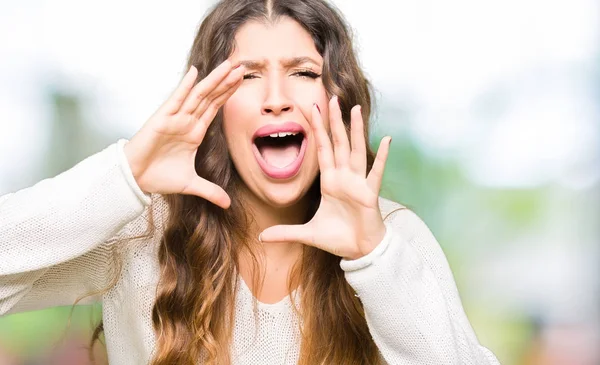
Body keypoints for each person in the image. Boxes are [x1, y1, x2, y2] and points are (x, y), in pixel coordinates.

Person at [0, 0, 501, 364]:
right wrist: (125, 176)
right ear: (213, 106)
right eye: (246, 75)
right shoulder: (139, 231)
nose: (277, 97)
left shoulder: (392, 239)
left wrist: (373, 257)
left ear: (336, 97)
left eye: (304, 72)